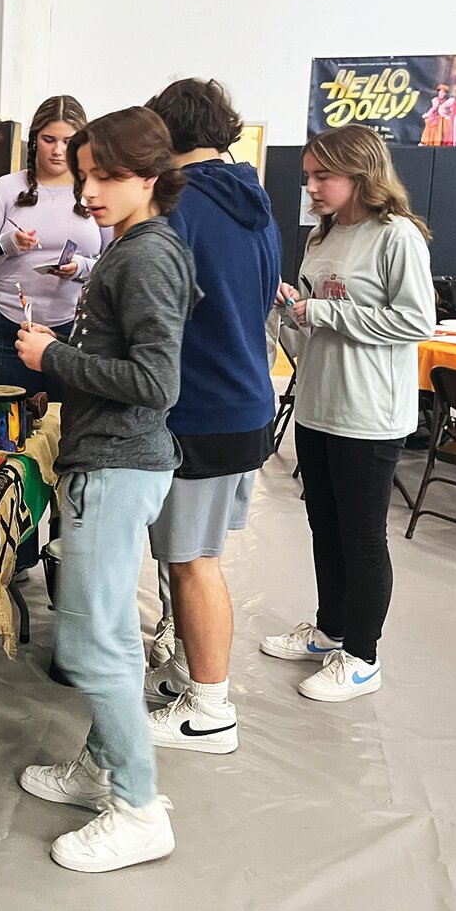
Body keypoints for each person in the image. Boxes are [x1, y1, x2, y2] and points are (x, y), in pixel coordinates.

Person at [14, 107, 199, 873]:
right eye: (84, 171)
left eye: (106, 175)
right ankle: (102, 769)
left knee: (95, 639)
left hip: (119, 463)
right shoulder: (137, 248)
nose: (88, 188)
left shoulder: (144, 257)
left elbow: (157, 381)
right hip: (116, 459)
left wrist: (55, 355)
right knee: (110, 629)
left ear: (150, 178)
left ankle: (137, 805)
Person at [263, 124, 434, 702]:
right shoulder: (321, 237)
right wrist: (290, 312)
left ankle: (362, 656)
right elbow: (314, 323)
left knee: (361, 537)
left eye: (321, 177)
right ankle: (330, 628)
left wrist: (323, 312)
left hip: (369, 414)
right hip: (317, 405)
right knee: (324, 526)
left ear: (360, 174)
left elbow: (415, 323)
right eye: (307, 176)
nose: (310, 187)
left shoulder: (397, 237)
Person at [139, 80, 281, 756]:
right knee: (189, 554)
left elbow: (161, 316)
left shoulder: (184, 205)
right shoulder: (250, 197)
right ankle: (186, 670)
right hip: (244, 398)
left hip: (203, 405)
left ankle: (209, 708)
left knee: (193, 561)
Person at [0, 95, 110, 401]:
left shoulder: (97, 191)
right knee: (6, 425)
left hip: (74, 330)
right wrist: (6, 245)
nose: (57, 150)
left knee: (71, 425)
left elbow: (116, 267)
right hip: (8, 327)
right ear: (34, 140)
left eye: (67, 141)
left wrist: (80, 268)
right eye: (48, 139)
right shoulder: (4, 189)